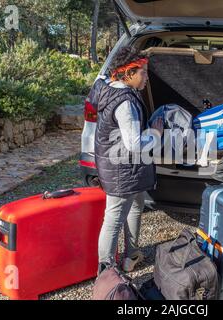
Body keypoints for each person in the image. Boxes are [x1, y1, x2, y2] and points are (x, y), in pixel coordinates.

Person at [93, 47, 163, 273]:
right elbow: (133, 143)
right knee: (114, 217)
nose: (146, 77)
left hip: (124, 168)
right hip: (122, 170)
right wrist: (156, 134)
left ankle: (131, 253)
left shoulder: (112, 90)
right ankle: (106, 271)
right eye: (143, 72)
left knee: (136, 205)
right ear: (129, 73)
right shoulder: (125, 101)